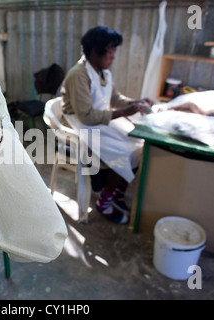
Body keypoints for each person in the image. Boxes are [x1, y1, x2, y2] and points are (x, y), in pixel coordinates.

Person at [60, 25, 153, 224]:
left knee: (138, 143)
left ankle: (116, 191)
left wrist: (134, 103)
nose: (112, 57)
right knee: (123, 153)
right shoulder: (79, 75)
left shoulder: (103, 72)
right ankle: (105, 200)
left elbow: (115, 98)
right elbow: (85, 116)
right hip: (81, 122)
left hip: (99, 117)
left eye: (114, 52)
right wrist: (123, 112)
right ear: (94, 51)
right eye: (110, 52)